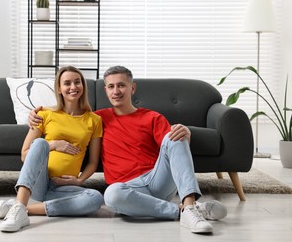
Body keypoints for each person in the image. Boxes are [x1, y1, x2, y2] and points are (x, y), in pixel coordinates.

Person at [29, 65, 227, 234]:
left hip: (156, 180)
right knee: (111, 194)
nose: (116, 91)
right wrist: (34, 115)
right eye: (111, 87)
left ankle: (190, 204)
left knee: (176, 134)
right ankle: (183, 211)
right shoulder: (96, 119)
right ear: (105, 90)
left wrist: (186, 134)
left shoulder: (152, 117)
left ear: (133, 88)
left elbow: (173, 148)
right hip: (126, 191)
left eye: (121, 85)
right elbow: (67, 117)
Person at [0, 66, 103, 232]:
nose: (73, 87)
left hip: (64, 187)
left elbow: (93, 162)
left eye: (77, 82)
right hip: (41, 181)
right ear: (59, 89)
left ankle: (20, 208)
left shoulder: (94, 120)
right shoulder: (44, 114)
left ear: (83, 85)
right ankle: (19, 208)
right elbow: (25, 155)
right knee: (39, 143)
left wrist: (80, 180)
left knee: (95, 198)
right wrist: (53, 144)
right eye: (67, 83)